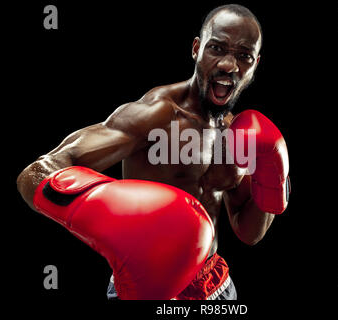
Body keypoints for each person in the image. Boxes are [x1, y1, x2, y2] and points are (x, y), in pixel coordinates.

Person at [17, 4, 290, 300]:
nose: (228, 65)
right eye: (217, 48)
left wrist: (274, 179)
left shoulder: (240, 133)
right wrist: (97, 205)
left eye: (243, 56)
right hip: (148, 289)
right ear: (196, 49)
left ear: (255, 64)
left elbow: (249, 232)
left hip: (217, 286)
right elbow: (38, 171)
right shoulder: (158, 114)